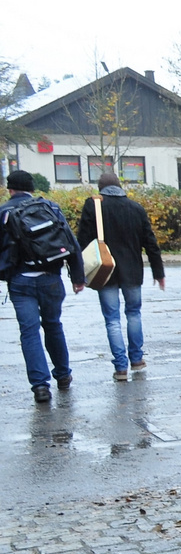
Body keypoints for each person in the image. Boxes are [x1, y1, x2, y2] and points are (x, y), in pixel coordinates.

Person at [0, 171, 86, 402]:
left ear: (10, 189)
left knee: (29, 332)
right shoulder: (50, 207)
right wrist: (78, 277)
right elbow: (71, 242)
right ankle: (63, 375)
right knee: (53, 325)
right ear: (31, 187)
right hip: (51, 278)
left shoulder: (3, 212)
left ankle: (40, 386)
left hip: (20, 281)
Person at [77, 171, 165, 382]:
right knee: (134, 313)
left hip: (105, 271)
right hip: (133, 271)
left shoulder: (93, 206)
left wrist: (78, 274)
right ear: (120, 186)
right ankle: (137, 359)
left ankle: (120, 368)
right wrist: (158, 272)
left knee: (112, 320)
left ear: (101, 188)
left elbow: (82, 241)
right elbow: (150, 243)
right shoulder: (136, 208)